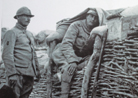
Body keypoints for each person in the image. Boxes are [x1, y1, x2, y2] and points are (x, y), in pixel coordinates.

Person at [46, 9, 108, 98]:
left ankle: (65, 72)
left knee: (89, 62)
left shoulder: (96, 30)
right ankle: (64, 94)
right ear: (86, 16)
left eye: (96, 17)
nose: (93, 19)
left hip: (80, 56)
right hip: (65, 52)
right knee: (68, 69)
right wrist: (72, 61)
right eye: (91, 16)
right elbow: (66, 43)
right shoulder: (76, 25)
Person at [2, 7, 40, 98]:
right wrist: (12, 74)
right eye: (25, 16)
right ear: (18, 17)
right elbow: (7, 55)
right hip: (17, 74)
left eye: (29, 17)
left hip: (29, 74)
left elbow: (33, 54)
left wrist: (37, 71)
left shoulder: (29, 34)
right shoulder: (11, 32)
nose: (28, 19)